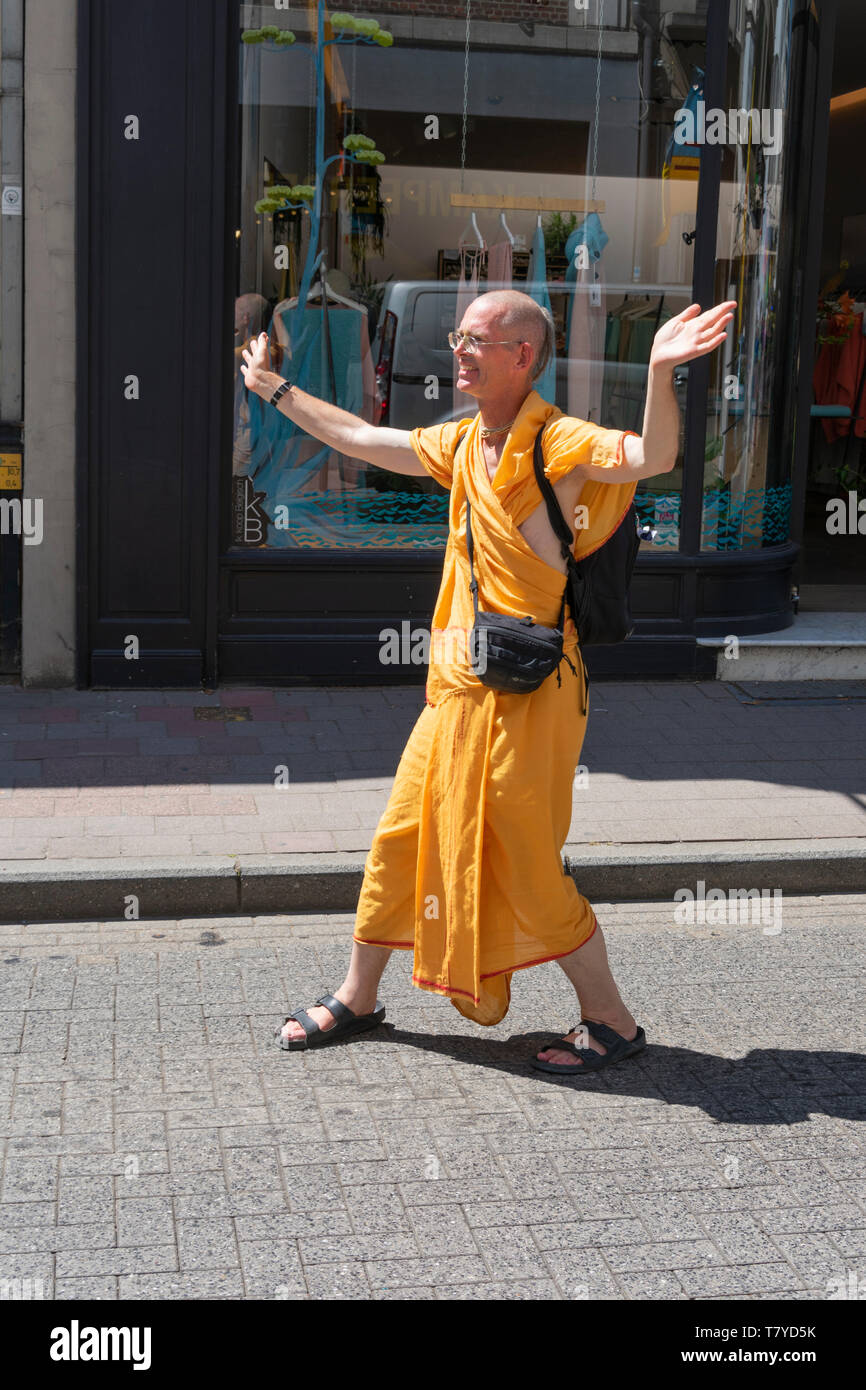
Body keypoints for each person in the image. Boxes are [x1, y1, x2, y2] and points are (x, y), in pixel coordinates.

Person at [241, 289, 736, 1074]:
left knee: (526, 859)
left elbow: (653, 458)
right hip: (459, 691)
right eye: (458, 338)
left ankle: (611, 1021)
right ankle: (359, 996)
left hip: (535, 691)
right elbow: (368, 438)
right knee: (400, 837)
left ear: (523, 356)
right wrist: (273, 388)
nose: (459, 351)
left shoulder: (560, 441)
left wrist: (660, 371)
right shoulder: (464, 443)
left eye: (477, 340)